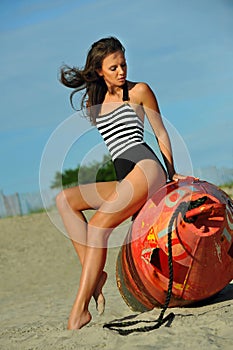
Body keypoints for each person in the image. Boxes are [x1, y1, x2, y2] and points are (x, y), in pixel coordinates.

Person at [56, 36, 185, 330]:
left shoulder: (139, 91)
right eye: (113, 67)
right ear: (99, 70)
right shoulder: (95, 102)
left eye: (123, 64)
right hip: (124, 175)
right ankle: (95, 275)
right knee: (65, 201)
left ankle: (79, 311)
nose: (121, 71)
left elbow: (161, 133)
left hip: (147, 167)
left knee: (99, 226)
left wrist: (171, 170)